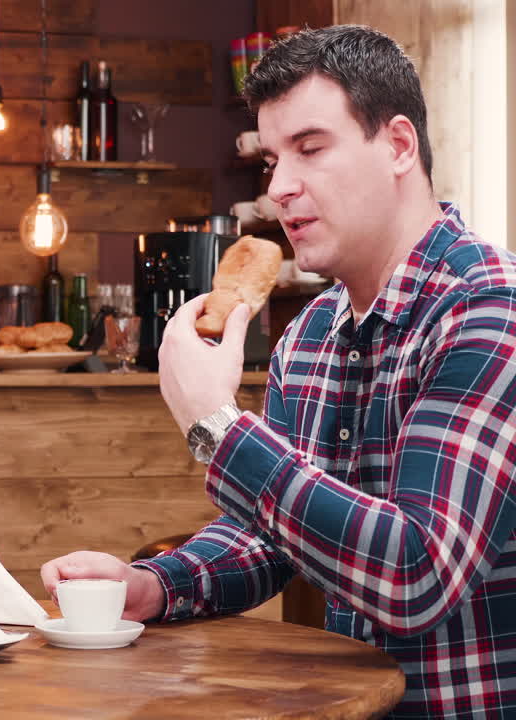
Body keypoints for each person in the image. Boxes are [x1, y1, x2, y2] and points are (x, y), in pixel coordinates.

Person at [41, 25, 516, 719]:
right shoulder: (312, 334)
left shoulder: (488, 309)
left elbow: (417, 571)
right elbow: (273, 534)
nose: (279, 188)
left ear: (399, 146)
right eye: (272, 159)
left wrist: (216, 426)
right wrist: (151, 585)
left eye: (311, 149)